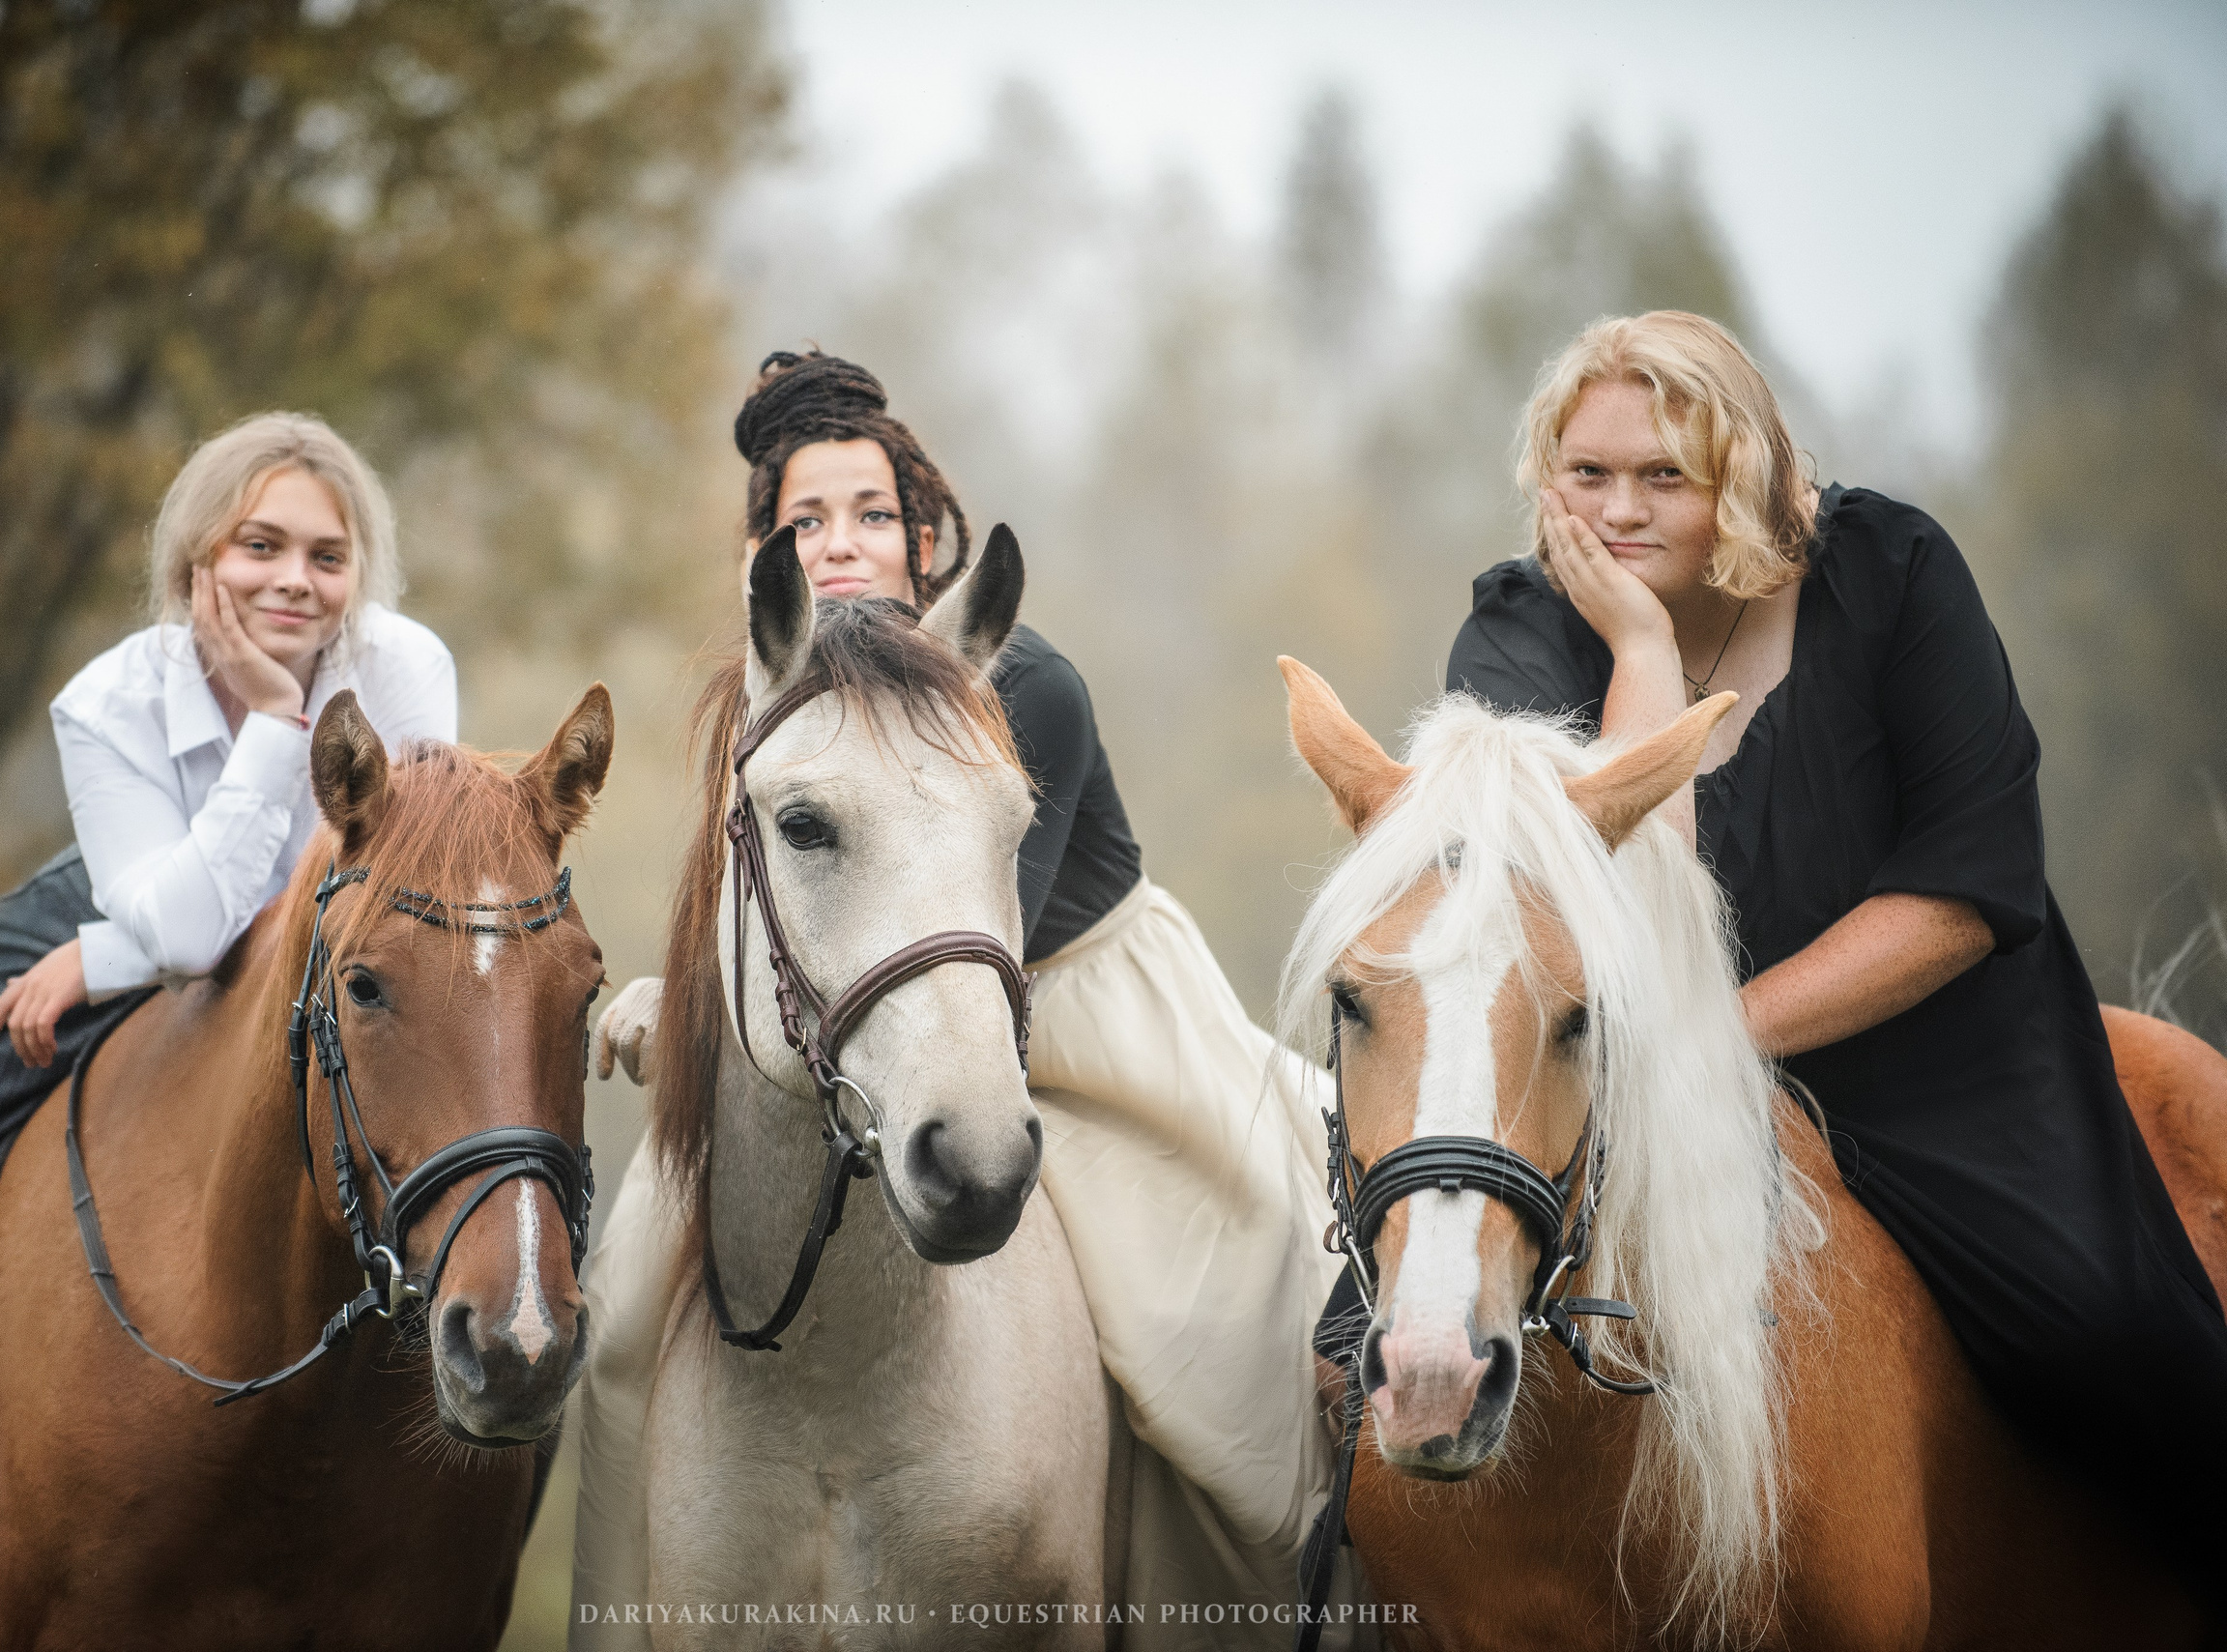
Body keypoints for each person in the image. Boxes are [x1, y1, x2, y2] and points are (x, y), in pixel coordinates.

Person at [570, 352, 1366, 1640]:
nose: (842, 543)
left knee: (1207, 1332)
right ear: (764, 557)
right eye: (805, 521)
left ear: (924, 533)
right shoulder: (773, 701)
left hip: (1069, 1013)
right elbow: (771, 916)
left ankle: (1308, 1595)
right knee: (618, 1312)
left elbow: (975, 924)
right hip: (867, 1038)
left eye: (872, 514)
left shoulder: (1017, 681)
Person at [1441, 309, 2227, 1583]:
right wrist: (1643, 649)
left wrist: (1720, 1037)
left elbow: (1969, 889)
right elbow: (1619, 909)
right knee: (1367, 1351)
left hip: (1940, 1060)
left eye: (1665, 476)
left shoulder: (1898, 572)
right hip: (1619, 1086)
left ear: (1744, 471)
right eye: (1587, 473)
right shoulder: (1521, 627)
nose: (1619, 511)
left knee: (2113, 1336)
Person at [0, 412, 457, 1630]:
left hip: (296, 942)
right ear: (198, 561)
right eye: (260, 545)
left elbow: (372, 889)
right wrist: (276, 722)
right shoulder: (109, 701)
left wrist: (106, 957)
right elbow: (184, 927)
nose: (294, 578)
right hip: (110, 903)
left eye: (327, 556)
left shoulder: (404, 669)